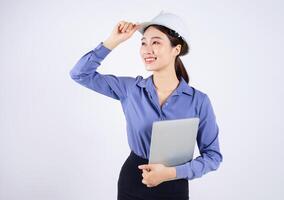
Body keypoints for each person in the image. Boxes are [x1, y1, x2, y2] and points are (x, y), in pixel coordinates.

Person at [69, 10, 223, 200]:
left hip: (174, 187)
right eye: (143, 43)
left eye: (156, 42)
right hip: (132, 182)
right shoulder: (130, 89)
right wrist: (112, 41)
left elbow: (213, 157)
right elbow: (80, 74)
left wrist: (170, 173)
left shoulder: (198, 101)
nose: (147, 50)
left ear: (176, 49)